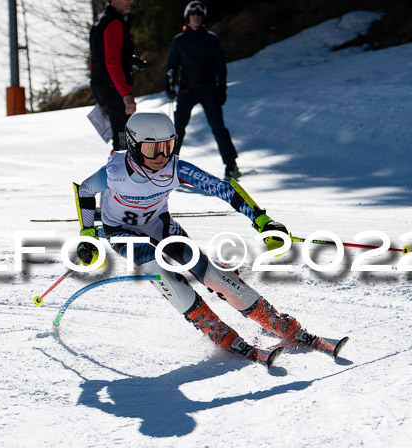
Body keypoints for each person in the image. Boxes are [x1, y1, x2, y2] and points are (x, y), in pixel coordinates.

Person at [73, 112, 347, 367]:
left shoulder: (176, 168)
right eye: (151, 149)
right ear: (133, 145)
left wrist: (262, 221)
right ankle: (215, 328)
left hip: (161, 225)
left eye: (167, 146)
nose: (161, 156)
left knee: (213, 276)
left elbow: (223, 189)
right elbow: (85, 190)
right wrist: (87, 233)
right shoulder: (115, 170)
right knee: (160, 271)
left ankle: (274, 320)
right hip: (122, 231)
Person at [165, 1, 240, 179]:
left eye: (199, 15)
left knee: (218, 126)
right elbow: (171, 66)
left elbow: (221, 66)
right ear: (187, 17)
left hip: (208, 89)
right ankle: (168, 166)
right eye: (193, 14)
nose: (196, 17)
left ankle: (231, 164)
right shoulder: (180, 40)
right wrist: (168, 85)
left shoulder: (211, 39)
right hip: (186, 89)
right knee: (178, 128)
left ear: (203, 17)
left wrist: (222, 88)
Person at [89, 0, 139, 151]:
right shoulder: (114, 22)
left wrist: (130, 59)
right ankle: (117, 173)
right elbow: (112, 63)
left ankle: (120, 171)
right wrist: (126, 94)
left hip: (101, 84)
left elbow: (97, 56)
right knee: (123, 140)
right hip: (112, 87)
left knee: (123, 137)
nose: (131, 1)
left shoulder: (101, 19)